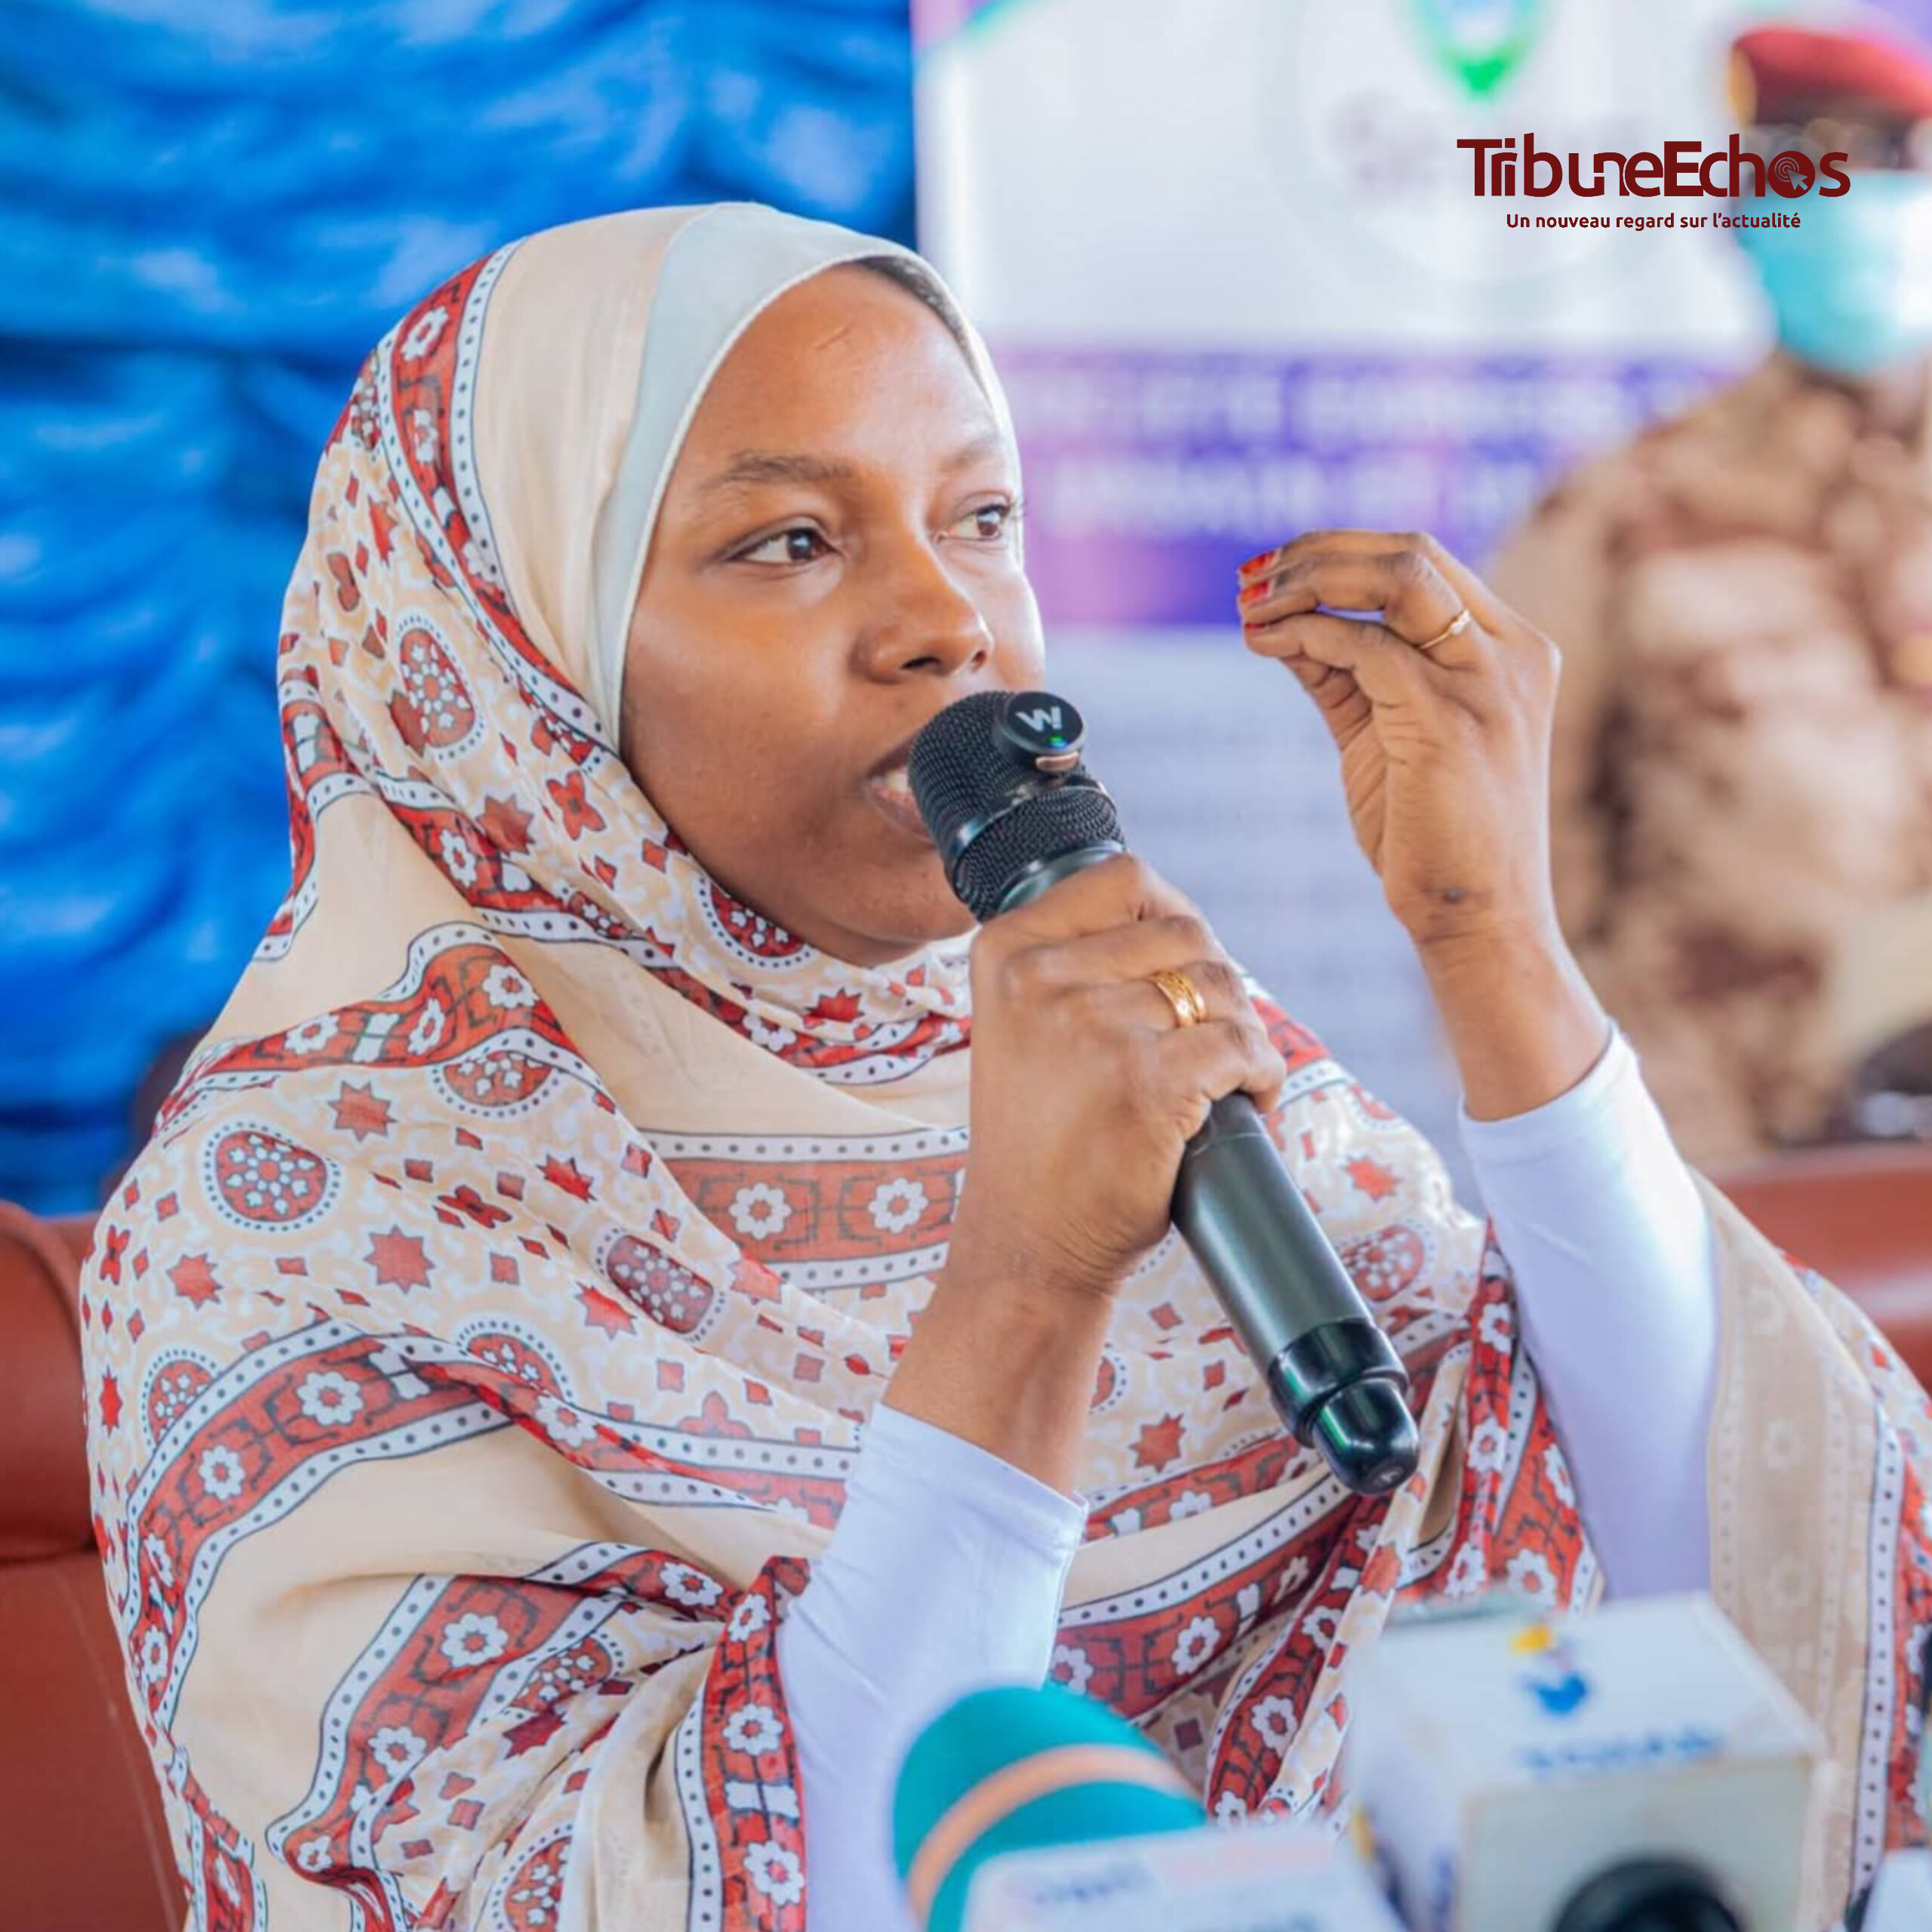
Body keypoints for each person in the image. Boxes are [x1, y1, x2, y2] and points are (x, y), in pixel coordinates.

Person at [78, 204, 1930, 1932]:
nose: (946, 617)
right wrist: (1025, 1285)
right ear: (514, 655)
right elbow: (631, 1884)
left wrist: (1493, 946)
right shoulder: (290, 1217)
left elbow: (1720, 1577)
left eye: (978, 517)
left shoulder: (1148, 1040)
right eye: (789, 541)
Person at [1489, 20, 1932, 1168]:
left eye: (1894, 168)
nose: (1861, 212)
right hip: (1739, 1182)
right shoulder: (1617, 520)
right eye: (1812, 180)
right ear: (1741, 221)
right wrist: (1627, 1178)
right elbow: (1506, 897)